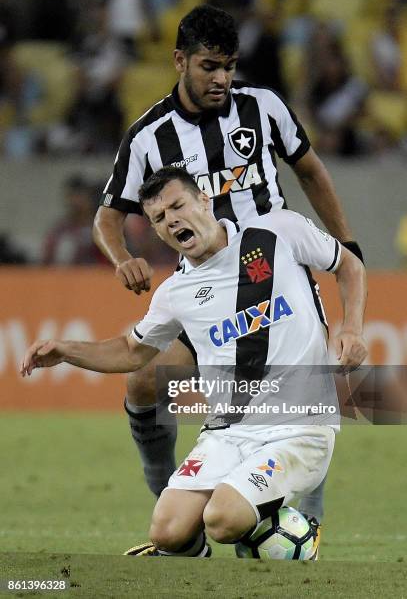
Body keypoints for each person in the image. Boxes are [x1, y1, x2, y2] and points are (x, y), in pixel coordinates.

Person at [92, 4, 364, 542]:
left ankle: (301, 519)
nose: (222, 79)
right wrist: (122, 257)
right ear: (179, 61)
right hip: (206, 292)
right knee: (144, 375)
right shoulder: (148, 135)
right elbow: (107, 216)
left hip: (274, 276)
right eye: (209, 66)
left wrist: (345, 243)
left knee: (295, 400)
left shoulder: (263, 108)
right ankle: (168, 495)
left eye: (229, 66)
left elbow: (309, 169)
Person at [22, 168, 367, 558]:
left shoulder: (278, 231)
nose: (171, 219)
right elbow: (131, 351)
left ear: (204, 199)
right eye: (158, 218)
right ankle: (207, 554)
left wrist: (353, 329)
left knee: (222, 519)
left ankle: (295, 531)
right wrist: (66, 351)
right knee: (167, 531)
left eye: (177, 205)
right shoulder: (176, 292)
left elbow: (349, 265)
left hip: (299, 427)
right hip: (227, 433)